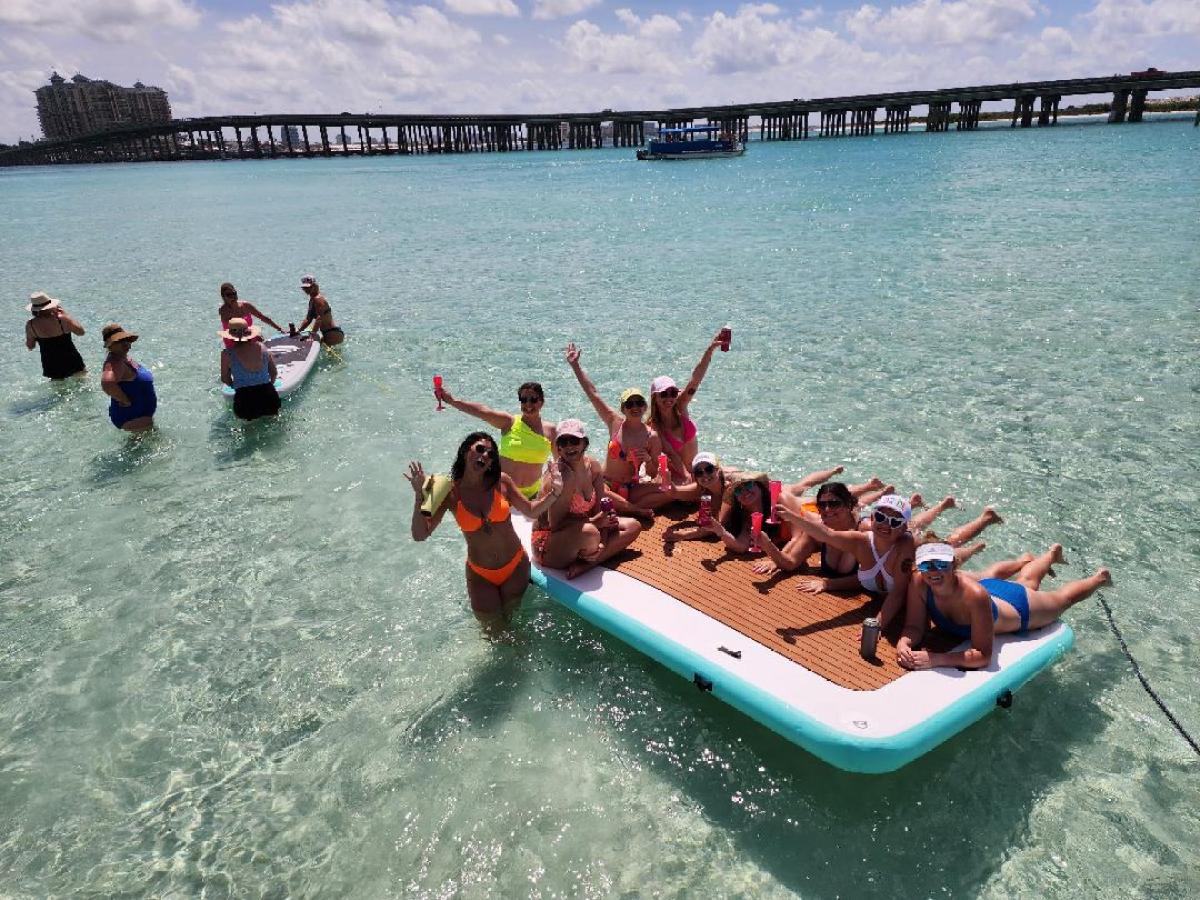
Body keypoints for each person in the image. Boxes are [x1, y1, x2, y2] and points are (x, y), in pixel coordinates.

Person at [407, 432, 563, 632]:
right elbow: (420, 535)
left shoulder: (501, 482)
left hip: (515, 565)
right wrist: (419, 496)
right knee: (493, 633)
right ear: (465, 452)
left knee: (516, 625)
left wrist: (555, 492)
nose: (485, 456)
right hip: (480, 575)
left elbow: (531, 510)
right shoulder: (449, 492)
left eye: (491, 454)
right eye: (480, 449)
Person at [896, 542, 1112, 670]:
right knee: (1027, 582)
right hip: (991, 591)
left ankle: (1099, 578)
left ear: (953, 565)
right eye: (926, 565)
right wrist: (904, 644)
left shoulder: (974, 596)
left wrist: (935, 659)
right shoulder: (919, 582)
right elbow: (914, 627)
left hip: (1018, 607)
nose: (934, 572)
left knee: (1062, 599)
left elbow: (982, 655)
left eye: (941, 564)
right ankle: (1050, 555)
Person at [777, 492, 916, 627]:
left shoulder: (905, 546)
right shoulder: (861, 542)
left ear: (903, 528)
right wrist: (793, 517)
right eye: (880, 517)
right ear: (872, 517)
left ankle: (931, 506)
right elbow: (827, 534)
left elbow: (898, 592)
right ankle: (912, 504)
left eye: (895, 521)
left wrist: (877, 624)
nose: (886, 524)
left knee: (918, 526)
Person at [564, 343, 671, 516]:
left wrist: (649, 460)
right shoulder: (614, 422)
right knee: (601, 493)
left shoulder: (652, 437)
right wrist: (575, 366)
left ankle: (622, 507)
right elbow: (593, 394)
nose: (634, 407)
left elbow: (652, 473)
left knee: (668, 492)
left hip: (630, 487)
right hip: (605, 484)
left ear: (645, 407)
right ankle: (634, 510)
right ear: (623, 408)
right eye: (629, 404)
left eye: (639, 403)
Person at [530, 419, 642, 580]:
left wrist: (602, 541)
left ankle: (590, 562)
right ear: (558, 448)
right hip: (549, 544)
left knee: (633, 526)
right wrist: (597, 524)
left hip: (582, 531)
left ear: (584, 443)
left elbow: (601, 512)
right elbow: (555, 526)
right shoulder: (563, 477)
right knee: (590, 533)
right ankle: (593, 554)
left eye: (574, 441)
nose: (569, 446)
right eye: (563, 442)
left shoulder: (593, 468)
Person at [435, 379, 556, 500]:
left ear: (541, 402)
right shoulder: (510, 423)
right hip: (500, 490)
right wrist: (452, 401)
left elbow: (560, 463)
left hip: (532, 495)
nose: (528, 404)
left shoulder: (551, 431)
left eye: (533, 400)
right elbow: (482, 411)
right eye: (523, 400)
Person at [648, 330, 725, 481]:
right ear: (654, 398)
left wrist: (710, 350)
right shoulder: (655, 426)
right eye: (663, 394)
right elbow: (672, 455)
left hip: (701, 470)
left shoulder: (681, 406)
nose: (669, 398)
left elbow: (696, 379)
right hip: (681, 476)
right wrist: (688, 477)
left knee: (736, 474)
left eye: (673, 393)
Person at [219, 318, 280, 420]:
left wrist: (235, 385)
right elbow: (273, 373)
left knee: (249, 431)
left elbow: (225, 378)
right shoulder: (263, 348)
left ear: (230, 336)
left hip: (245, 398)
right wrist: (268, 385)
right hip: (268, 395)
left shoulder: (227, 354)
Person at [100, 324, 156, 432]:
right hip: (133, 417)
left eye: (127, 340)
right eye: (120, 341)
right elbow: (107, 383)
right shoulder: (115, 362)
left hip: (137, 418)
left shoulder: (122, 357)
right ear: (110, 345)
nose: (125, 344)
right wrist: (124, 400)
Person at [24, 291, 85, 379]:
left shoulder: (31, 324)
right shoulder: (62, 319)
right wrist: (67, 315)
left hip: (51, 364)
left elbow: (30, 346)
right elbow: (81, 332)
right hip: (72, 360)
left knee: (59, 391)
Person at [218, 282, 283, 348]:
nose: (233, 296)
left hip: (248, 336)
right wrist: (254, 335)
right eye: (229, 295)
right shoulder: (224, 311)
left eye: (234, 293)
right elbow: (234, 331)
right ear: (223, 297)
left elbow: (262, 317)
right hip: (233, 341)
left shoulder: (246, 305)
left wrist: (280, 329)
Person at [296, 275, 344, 346]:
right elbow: (308, 319)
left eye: (309, 287)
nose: (306, 289)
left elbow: (319, 318)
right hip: (330, 334)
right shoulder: (313, 299)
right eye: (304, 287)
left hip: (332, 334)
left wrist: (312, 335)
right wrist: (298, 331)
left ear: (314, 285)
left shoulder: (318, 299)